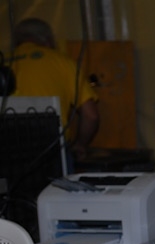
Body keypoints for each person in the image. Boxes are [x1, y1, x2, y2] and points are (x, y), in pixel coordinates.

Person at [10, 18, 99, 162]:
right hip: (52, 150)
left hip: (8, 151)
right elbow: (91, 115)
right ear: (48, 40)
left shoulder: (4, 63)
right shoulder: (62, 62)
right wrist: (80, 145)